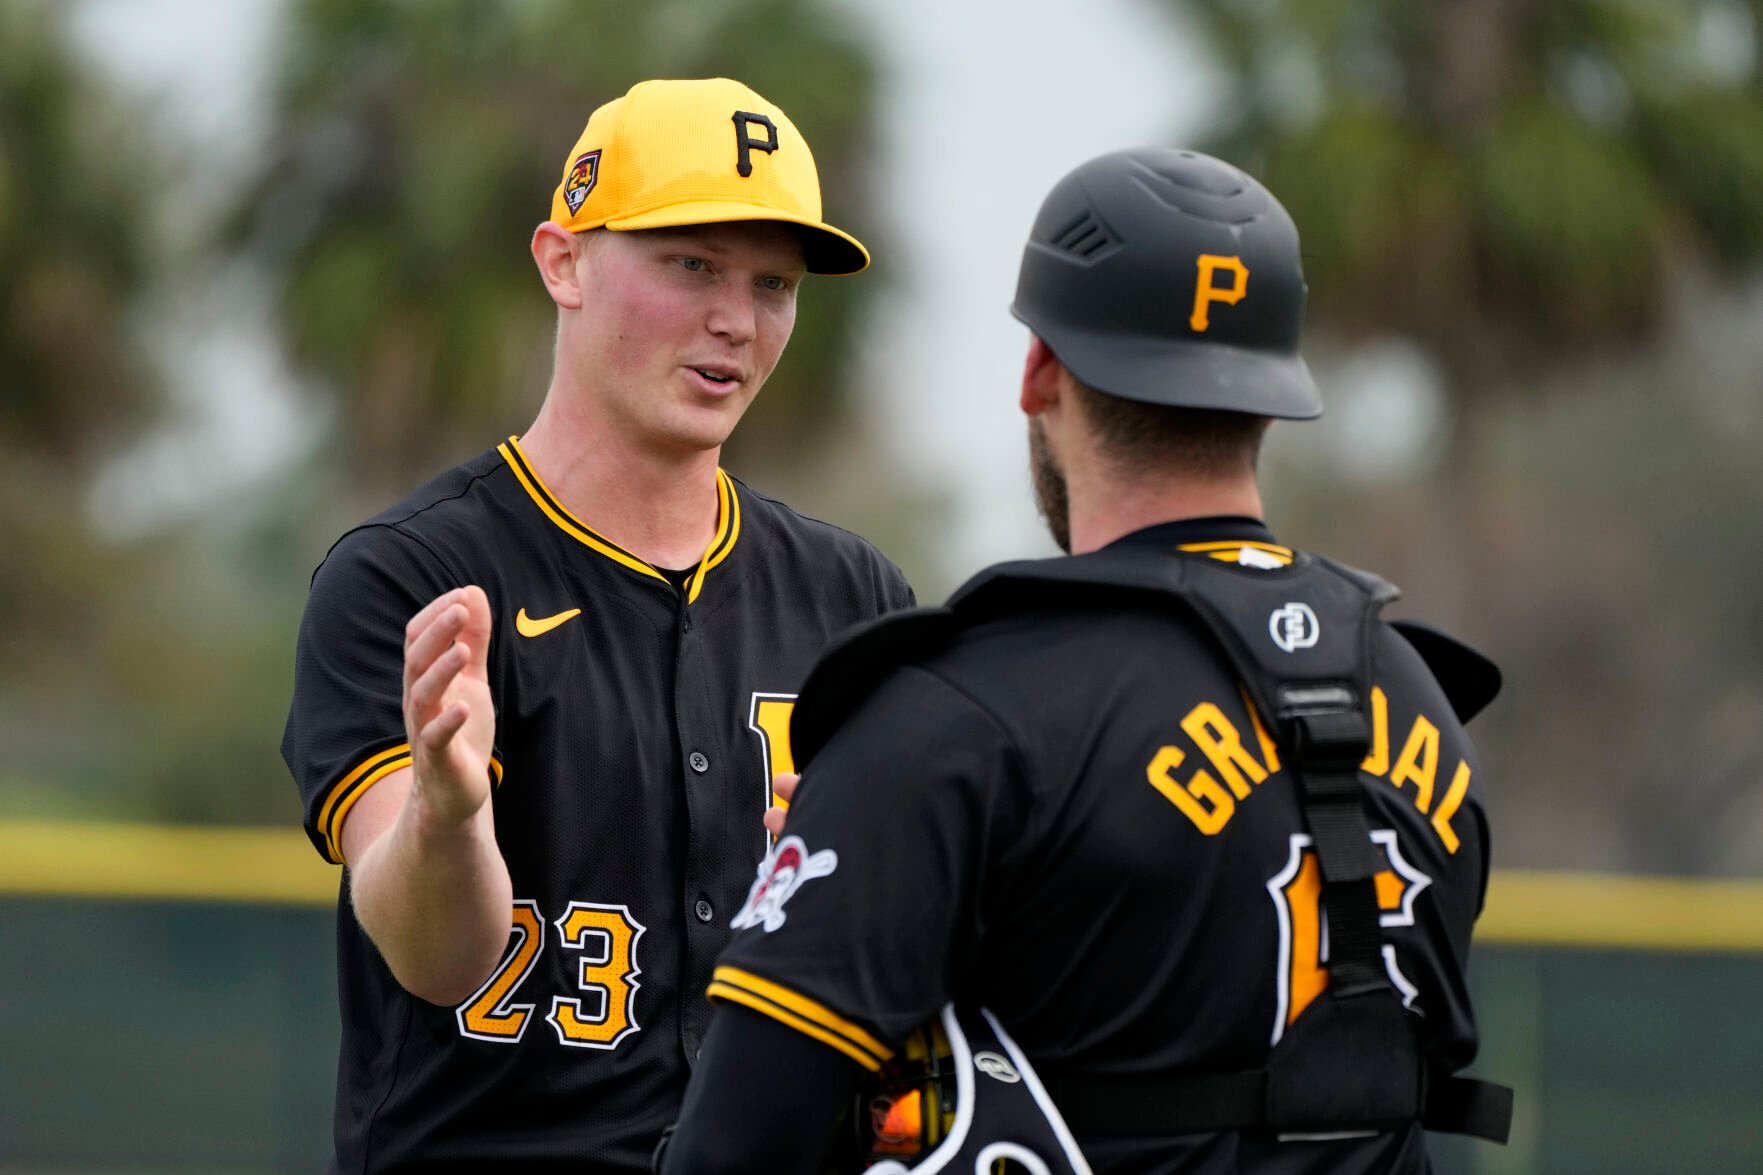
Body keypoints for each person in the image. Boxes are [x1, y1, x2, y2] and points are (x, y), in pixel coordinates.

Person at [658, 147, 1510, 1174]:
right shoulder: (1418, 698)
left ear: (1041, 371)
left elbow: (731, 1147)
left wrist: (873, 850)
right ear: (1269, 393)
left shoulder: (957, 717)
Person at [280, 77, 914, 1172]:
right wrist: (446, 811)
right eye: (691, 265)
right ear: (563, 260)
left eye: (772, 281)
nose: (736, 318)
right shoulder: (411, 575)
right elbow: (434, 957)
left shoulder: (854, 598)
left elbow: (916, 974)